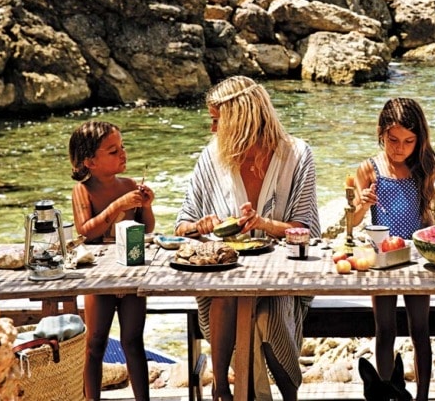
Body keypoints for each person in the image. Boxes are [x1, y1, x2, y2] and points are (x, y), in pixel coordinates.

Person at [175, 75, 320, 401]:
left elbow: (303, 230)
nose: (212, 130)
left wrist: (264, 224)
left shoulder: (296, 156)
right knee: (229, 295)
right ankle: (223, 389)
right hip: (225, 275)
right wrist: (201, 226)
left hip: (283, 274)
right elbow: (181, 227)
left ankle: (281, 394)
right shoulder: (211, 159)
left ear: (239, 120)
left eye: (216, 121)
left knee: (267, 316)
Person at [349, 98, 435, 401]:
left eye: (409, 141)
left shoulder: (423, 167)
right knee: (385, 329)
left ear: (419, 140)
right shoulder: (369, 169)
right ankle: (384, 393)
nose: (400, 148)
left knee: (420, 329)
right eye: (393, 140)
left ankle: (424, 395)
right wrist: (362, 203)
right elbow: (353, 220)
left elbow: (427, 216)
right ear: (381, 134)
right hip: (383, 259)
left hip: (415, 261)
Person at [69, 120, 156, 401]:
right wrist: (117, 206)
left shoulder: (129, 185)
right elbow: (86, 231)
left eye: (122, 147)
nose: (123, 154)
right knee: (95, 343)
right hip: (98, 277)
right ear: (90, 162)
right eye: (113, 151)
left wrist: (147, 205)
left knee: (133, 341)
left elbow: (148, 227)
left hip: (130, 272)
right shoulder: (83, 191)